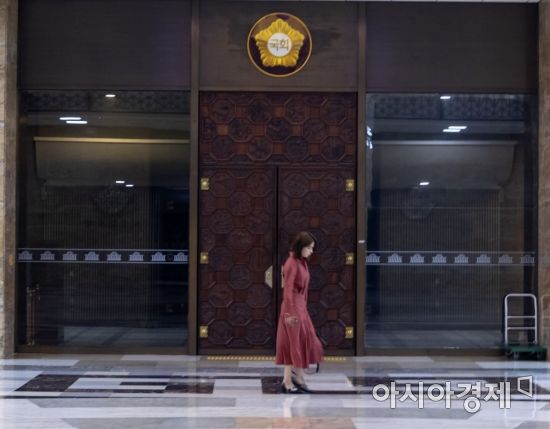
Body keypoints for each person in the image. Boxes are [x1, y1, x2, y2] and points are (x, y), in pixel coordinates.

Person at [275, 231, 324, 393]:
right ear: (301, 247)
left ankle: (293, 379)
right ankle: (291, 380)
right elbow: (288, 290)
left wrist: (303, 308)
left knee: (299, 342)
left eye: (312, 248)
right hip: (293, 309)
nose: (311, 251)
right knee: (292, 343)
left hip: (300, 306)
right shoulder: (292, 263)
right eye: (309, 248)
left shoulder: (301, 262)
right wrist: (290, 313)